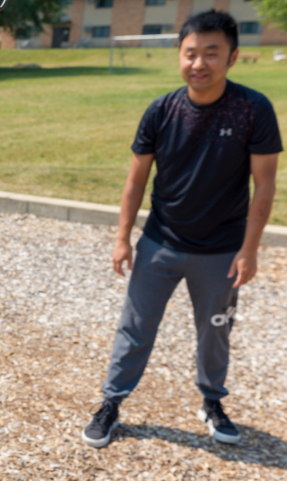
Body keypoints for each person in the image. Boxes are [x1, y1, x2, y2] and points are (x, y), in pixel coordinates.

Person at [82, 10, 281, 449]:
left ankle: (212, 401)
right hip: (160, 242)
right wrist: (121, 238)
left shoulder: (253, 109)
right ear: (180, 55)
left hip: (222, 251)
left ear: (232, 57)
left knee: (215, 330)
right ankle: (111, 403)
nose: (200, 63)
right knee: (134, 327)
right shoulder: (162, 111)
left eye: (212, 53)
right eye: (191, 53)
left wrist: (250, 250)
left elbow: (264, 185)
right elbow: (136, 181)